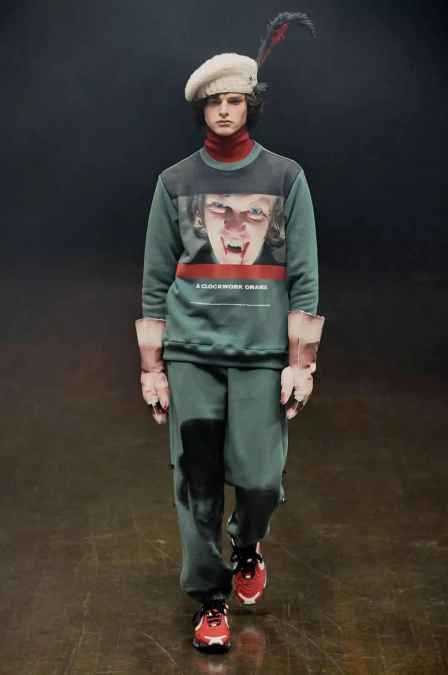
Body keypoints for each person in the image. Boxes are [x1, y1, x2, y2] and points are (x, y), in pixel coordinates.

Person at [135, 12, 325, 653]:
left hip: (262, 353)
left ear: (251, 105)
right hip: (191, 352)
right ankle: (210, 600)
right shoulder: (174, 183)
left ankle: (247, 545)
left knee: (262, 479)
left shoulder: (286, 178)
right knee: (196, 482)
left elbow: (305, 273)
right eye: (214, 101)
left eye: (235, 100)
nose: (223, 110)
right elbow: (155, 278)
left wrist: (301, 362)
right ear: (202, 109)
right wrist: (152, 368)